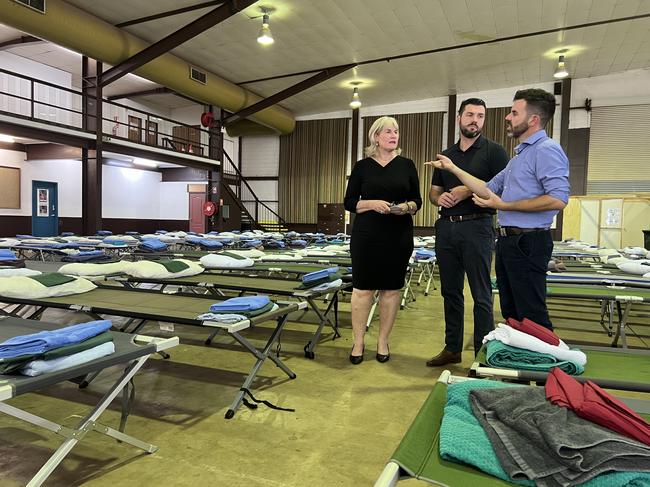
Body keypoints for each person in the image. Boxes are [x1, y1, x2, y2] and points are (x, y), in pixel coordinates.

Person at [426, 88, 569, 333]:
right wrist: (453, 169)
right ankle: (511, 365)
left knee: (531, 316)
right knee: (512, 314)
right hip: (508, 241)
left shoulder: (546, 149)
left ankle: (541, 369)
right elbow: (486, 188)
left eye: (514, 113)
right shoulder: (518, 157)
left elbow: (558, 198)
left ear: (533, 119)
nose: (507, 117)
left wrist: (503, 205)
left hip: (528, 240)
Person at [426, 98, 509, 367]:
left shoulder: (494, 152)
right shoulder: (446, 154)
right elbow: (434, 191)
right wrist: (440, 200)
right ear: (459, 118)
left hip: (478, 226)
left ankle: (481, 355)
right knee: (450, 292)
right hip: (447, 227)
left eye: (481, 116)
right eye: (470, 114)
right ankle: (452, 349)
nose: (475, 120)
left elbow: (501, 189)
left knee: (481, 294)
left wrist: (467, 189)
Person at [343, 116, 422, 364]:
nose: (393, 135)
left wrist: (406, 207)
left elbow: (417, 201)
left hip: (398, 236)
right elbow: (349, 202)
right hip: (367, 236)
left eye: (396, 131)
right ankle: (358, 341)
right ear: (376, 136)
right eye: (388, 131)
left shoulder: (407, 165)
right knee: (362, 290)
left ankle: (383, 341)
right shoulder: (362, 166)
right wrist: (371, 203)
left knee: (391, 290)